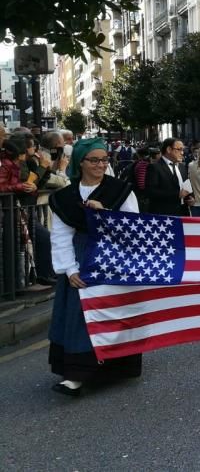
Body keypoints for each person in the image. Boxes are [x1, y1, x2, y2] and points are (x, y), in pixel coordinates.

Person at [47, 138, 142, 396]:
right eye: (94, 160)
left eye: (104, 159)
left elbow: (131, 229)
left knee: (110, 311)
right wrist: (69, 269)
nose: (101, 165)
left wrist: (105, 214)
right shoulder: (65, 198)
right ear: (81, 163)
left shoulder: (120, 190)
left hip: (112, 259)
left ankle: (115, 366)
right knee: (79, 314)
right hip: (81, 257)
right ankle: (76, 373)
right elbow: (61, 235)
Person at [144, 138, 193, 216]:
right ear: (169, 149)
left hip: (183, 213)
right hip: (164, 215)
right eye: (179, 149)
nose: (182, 153)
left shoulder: (182, 167)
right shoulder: (155, 167)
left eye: (183, 149)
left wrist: (190, 198)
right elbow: (150, 192)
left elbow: (184, 187)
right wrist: (176, 195)